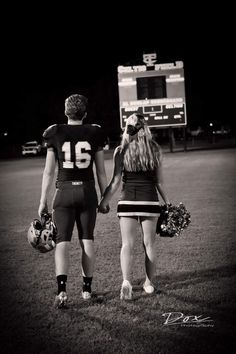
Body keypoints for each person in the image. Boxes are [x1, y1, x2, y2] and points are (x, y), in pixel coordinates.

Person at [38, 94, 109, 308]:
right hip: (87, 191)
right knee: (87, 240)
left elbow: (49, 173)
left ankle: (62, 292)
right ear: (85, 113)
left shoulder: (55, 132)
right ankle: (87, 290)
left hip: (64, 192)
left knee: (62, 242)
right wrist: (104, 198)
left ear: (65, 112)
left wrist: (43, 200)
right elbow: (101, 173)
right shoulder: (95, 131)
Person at [99, 113, 170, 300]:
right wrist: (168, 203)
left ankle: (126, 282)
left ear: (127, 128)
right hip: (149, 201)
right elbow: (159, 182)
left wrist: (103, 202)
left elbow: (115, 182)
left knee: (126, 244)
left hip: (127, 201)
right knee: (149, 244)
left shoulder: (121, 150)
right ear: (145, 128)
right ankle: (148, 283)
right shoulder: (154, 149)